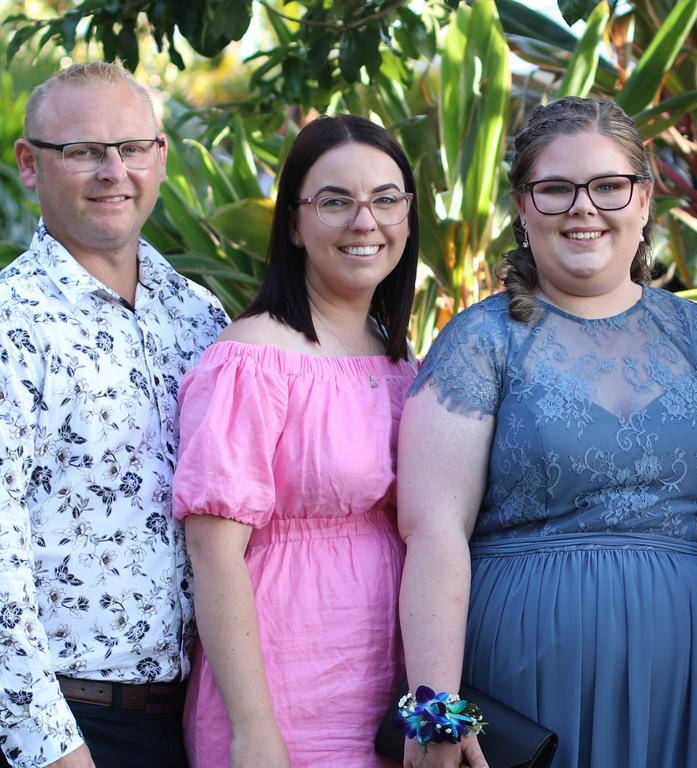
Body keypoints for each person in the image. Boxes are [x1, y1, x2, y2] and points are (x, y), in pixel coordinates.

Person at [396, 96, 697, 768]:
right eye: (556, 188)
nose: (582, 207)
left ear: (645, 201)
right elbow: (432, 531)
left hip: (688, 668)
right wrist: (433, 710)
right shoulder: (481, 343)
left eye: (608, 186)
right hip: (523, 665)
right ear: (523, 206)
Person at [171, 114, 419, 768]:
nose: (365, 221)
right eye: (335, 201)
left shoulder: (401, 365)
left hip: (384, 689)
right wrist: (255, 732)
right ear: (293, 222)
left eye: (387, 199)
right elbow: (213, 553)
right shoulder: (250, 360)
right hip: (285, 694)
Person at [0, 62, 227, 768]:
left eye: (130, 148)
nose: (112, 171)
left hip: (184, 718)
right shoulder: (11, 322)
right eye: (84, 152)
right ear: (30, 164)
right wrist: (53, 747)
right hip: (62, 726)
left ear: (160, 156)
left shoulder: (200, 317)